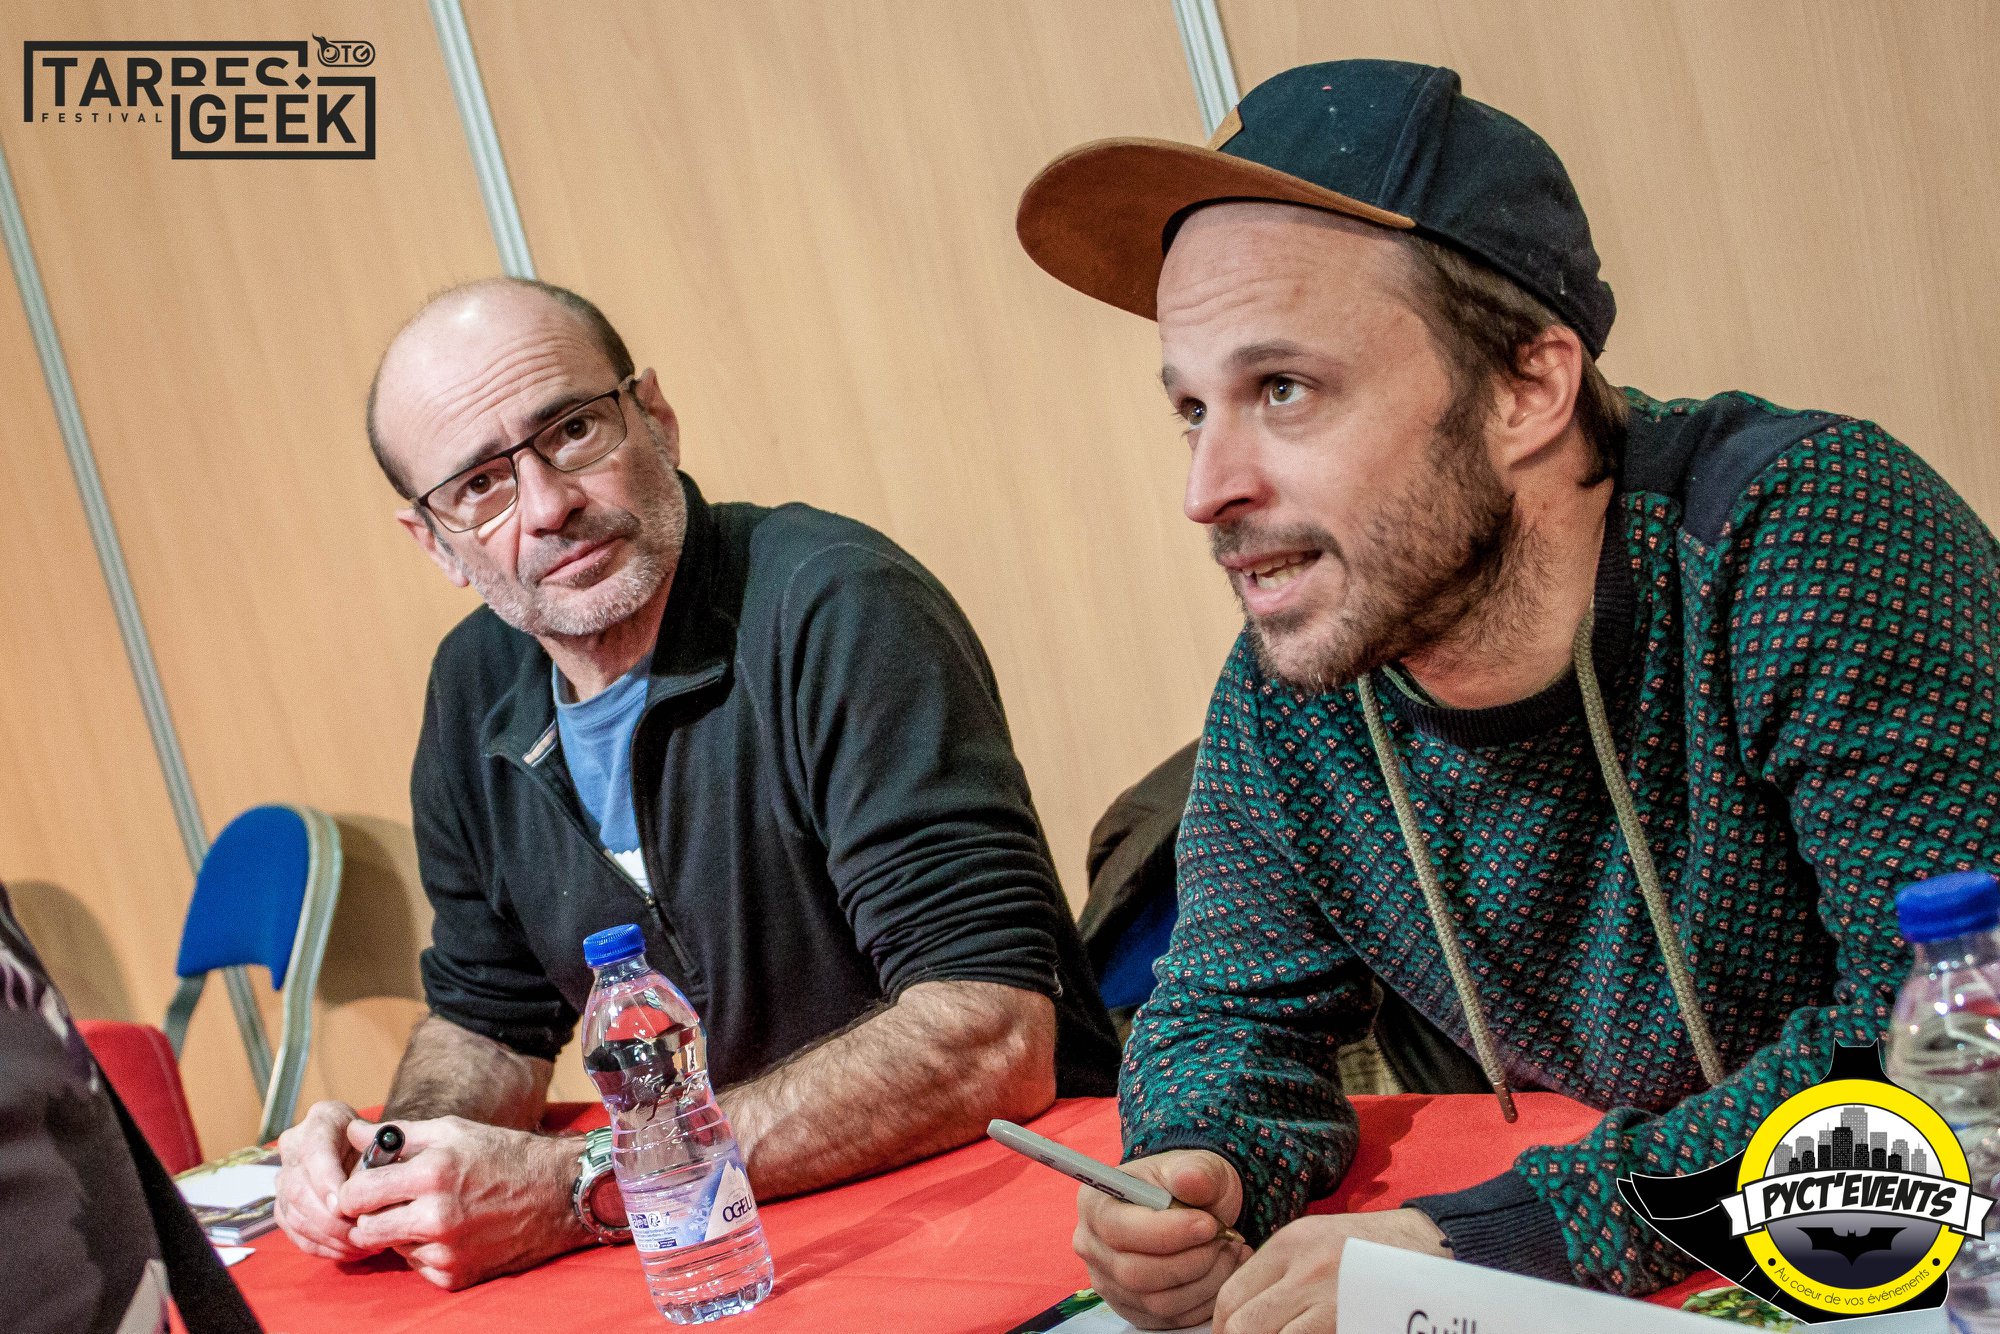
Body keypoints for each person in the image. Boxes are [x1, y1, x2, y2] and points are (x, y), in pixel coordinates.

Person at [1016, 58, 2000, 1331]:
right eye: (1192, 409)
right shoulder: (1297, 677)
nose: (1206, 489)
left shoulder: (1801, 533)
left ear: (1526, 386)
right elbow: (1223, 1009)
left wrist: (1489, 1241)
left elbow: (1955, 1052)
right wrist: (1198, 1167)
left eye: (1282, 390)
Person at [273, 278, 1118, 1290]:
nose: (547, 505)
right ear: (434, 539)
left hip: (1007, 1223)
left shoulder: (838, 604)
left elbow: (994, 1035)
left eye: (573, 430)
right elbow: (488, 1020)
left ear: (656, 419)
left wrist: (594, 1181)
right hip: (728, 1243)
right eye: (480, 486)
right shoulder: (472, 688)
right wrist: (393, 1164)